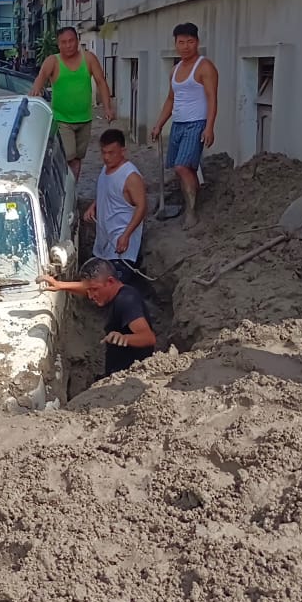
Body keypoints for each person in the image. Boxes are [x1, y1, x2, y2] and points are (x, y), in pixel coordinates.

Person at [40, 258, 156, 382]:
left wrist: (125, 338)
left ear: (110, 281)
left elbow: (148, 338)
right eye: (88, 290)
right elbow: (88, 287)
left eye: (94, 290)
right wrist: (60, 285)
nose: (90, 296)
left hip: (129, 377)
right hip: (116, 370)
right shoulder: (110, 290)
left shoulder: (126, 301)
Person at [150, 23, 219, 229]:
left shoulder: (205, 67)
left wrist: (209, 127)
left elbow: (212, 98)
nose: (186, 46)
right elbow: (171, 100)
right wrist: (159, 124)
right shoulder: (175, 70)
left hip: (196, 123)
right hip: (178, 124)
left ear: (197, 42)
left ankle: (192, 213)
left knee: (182, 166)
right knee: (180, 168)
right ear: (176, 44)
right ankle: (192, 200)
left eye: (190, 42)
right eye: (181, 42)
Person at [29, 27, 117, 181]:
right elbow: (40, 80)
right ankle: (66, 189)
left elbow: (101, 82)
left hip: (85, 119)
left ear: (77, 41)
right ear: (58, 44)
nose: (68, 45)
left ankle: (71, 189)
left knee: (77, 158)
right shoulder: (52, 61)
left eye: (71, 41)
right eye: (64, 42)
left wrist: (107, 107)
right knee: (69, 157)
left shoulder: (89, 59)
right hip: (62, 119)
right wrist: (35, 93)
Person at [84, 129, 147, 283]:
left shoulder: (131, 176)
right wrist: (94, 206)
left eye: (111, 153)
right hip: (104, 243)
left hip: (121, 248)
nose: (106, 157)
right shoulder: (105, 169)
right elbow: (107, 193)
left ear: (123, 151)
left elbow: (142, 207)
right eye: (104, 152)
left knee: (112, 288)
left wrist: (125, 236)